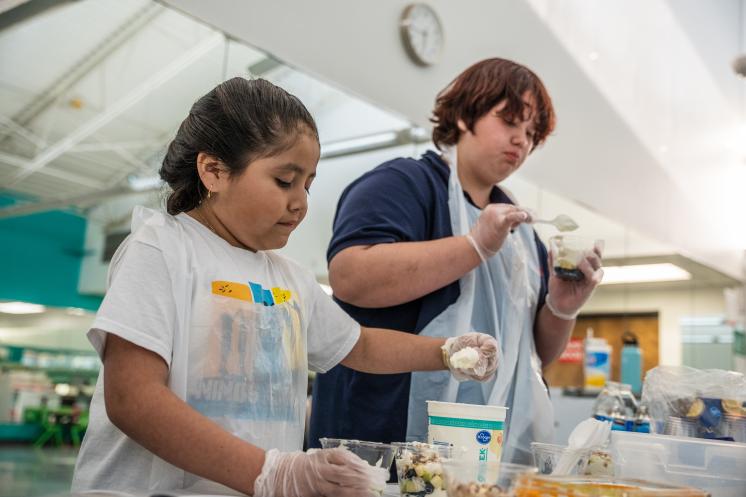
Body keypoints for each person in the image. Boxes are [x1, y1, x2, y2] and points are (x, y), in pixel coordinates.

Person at [70, 77, 499, 496]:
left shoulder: (289, 277)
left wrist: (446, 352)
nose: (301, 203)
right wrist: (270, 472)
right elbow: (132, 398)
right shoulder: (162, 247)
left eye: (308, 184)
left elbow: (360, 345)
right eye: (284, 181)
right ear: (214, 170)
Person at [309, 58, 604, 464]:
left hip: (483, 455)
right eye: (509, 121)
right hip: (377, 445)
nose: (521, 141)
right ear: (466, 116)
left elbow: (533, 354)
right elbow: (349, 276)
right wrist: (474, 246)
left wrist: (561, 307)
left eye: (531, 133)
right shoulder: (401, 185)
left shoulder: (522, 238)